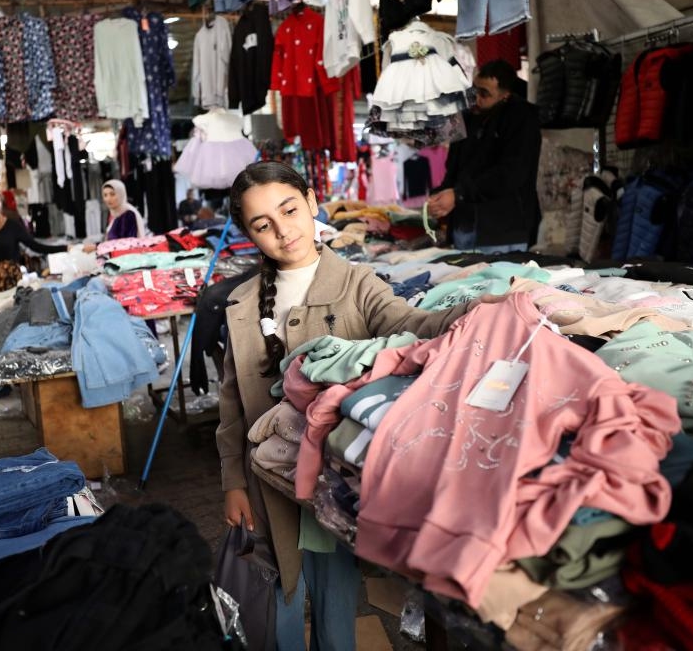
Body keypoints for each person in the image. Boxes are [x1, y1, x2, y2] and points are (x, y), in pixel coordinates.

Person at [217, 162, 481, 650]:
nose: (282, 230)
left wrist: (475, 311)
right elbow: (232, 405)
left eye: (289, 210)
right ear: (250, 236)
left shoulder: (359, 284)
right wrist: (233, 480)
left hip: (330, 481)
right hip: (267, 481)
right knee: (279, 603)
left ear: (313, 202)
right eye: (263, 225)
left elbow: (412, 323)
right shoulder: (240, 304)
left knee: (336, 597)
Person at [426, 59, 542, 254]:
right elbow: (453, 167)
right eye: (474, 90)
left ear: (505, 95)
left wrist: (458, 194)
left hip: (503, 231)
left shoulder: (522, 119)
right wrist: (441, 195)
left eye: (485, 94)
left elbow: (510, 174)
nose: (476, 98)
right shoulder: (467, 117)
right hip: (464, 228)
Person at [0, 187, 71, 294]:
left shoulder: (12, 226)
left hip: (11, 282)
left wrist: (65, 248)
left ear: (1, 203)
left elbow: (36, 246)